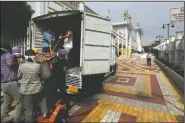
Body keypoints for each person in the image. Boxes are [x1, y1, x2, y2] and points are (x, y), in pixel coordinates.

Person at [18, 49, 48, 122]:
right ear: (34, 56)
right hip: (37, 88)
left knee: (29, 109)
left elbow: (18, 76)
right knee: (43, 98)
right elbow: (43, 76)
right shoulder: (38, 65)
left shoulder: (21, 66)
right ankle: (44, 112)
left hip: (26, 90)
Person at [1, 43, 22, 122]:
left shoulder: (2, 56)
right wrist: (18, 63)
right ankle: (17, 120)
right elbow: (10, 63)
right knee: (20, 102)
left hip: (4, 83)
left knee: (5, 103)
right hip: (11, 83)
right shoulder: (8, 54)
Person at [45, 49, 68, 122]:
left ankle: (56, 109)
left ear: (58, 54)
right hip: (63, 82)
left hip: (56, 83)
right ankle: (62, 112)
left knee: (56, 97)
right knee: (63, 96)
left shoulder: (56, 63)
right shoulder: (66, 62)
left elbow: (51, 71)